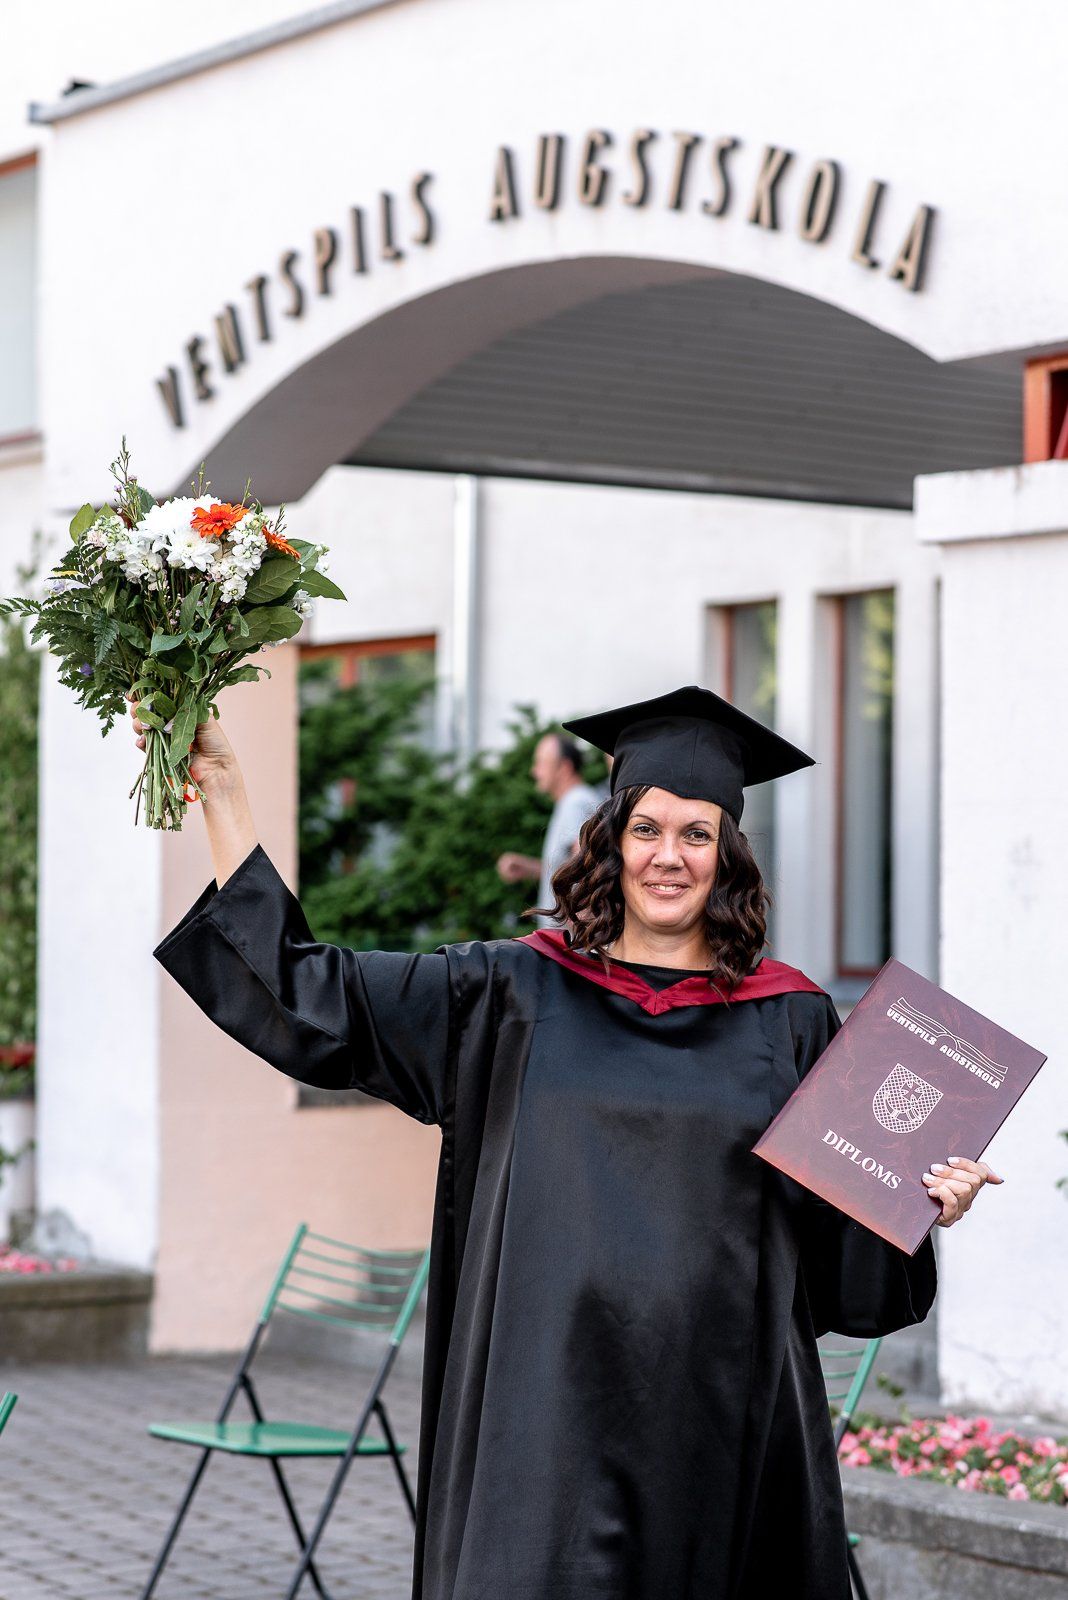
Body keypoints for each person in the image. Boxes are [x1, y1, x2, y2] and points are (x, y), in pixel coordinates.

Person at [135, 684, 1000, 1600]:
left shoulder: (790, 1019)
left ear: (728, 856)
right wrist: (224, 792)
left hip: (723, 1419)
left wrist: (920, 1206)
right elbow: (314, 995)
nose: (668, 856)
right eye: (647, 829)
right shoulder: (511, 993)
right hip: (544, 1420)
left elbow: (840, 1247)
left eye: (697, 835)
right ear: (612, 840)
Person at [496, 731, 600, 927]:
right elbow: (569, 868)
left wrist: (579, 920)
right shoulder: (572, 801)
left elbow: (588, 860)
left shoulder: (576, 802)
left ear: (564, 767)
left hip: (569, 941)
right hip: (565, 939)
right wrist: (528, 867)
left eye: (541, 763)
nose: (534, 771)